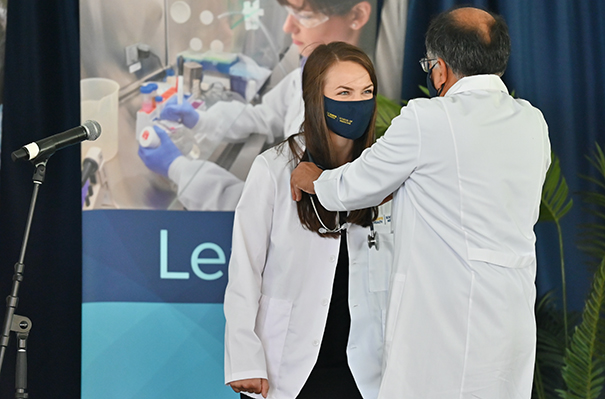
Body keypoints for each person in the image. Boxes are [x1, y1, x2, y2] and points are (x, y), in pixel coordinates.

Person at [291, 7, 551, 398]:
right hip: (510, 317)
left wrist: (317, 180)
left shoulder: (428, 119)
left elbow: (355, 186)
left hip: (447, 319)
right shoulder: (533, 121)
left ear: (440, 69)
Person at [223, 42, 392, 399]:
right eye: (344, 92)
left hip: (365, 371)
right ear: (315, 98)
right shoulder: (273, 168)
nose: (357, 103)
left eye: (367, 92)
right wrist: (244, 358)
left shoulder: (384, 173)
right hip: (286, 366)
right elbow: (244, 271)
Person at [138, 0, 373, 211]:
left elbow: (264, 208)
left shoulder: (345, 117)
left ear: (357, 16)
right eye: (290, 12)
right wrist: (202, 120)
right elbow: (264, 115)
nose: (288, 27)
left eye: (306, 16)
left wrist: (178, 168)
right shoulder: (304, 76)